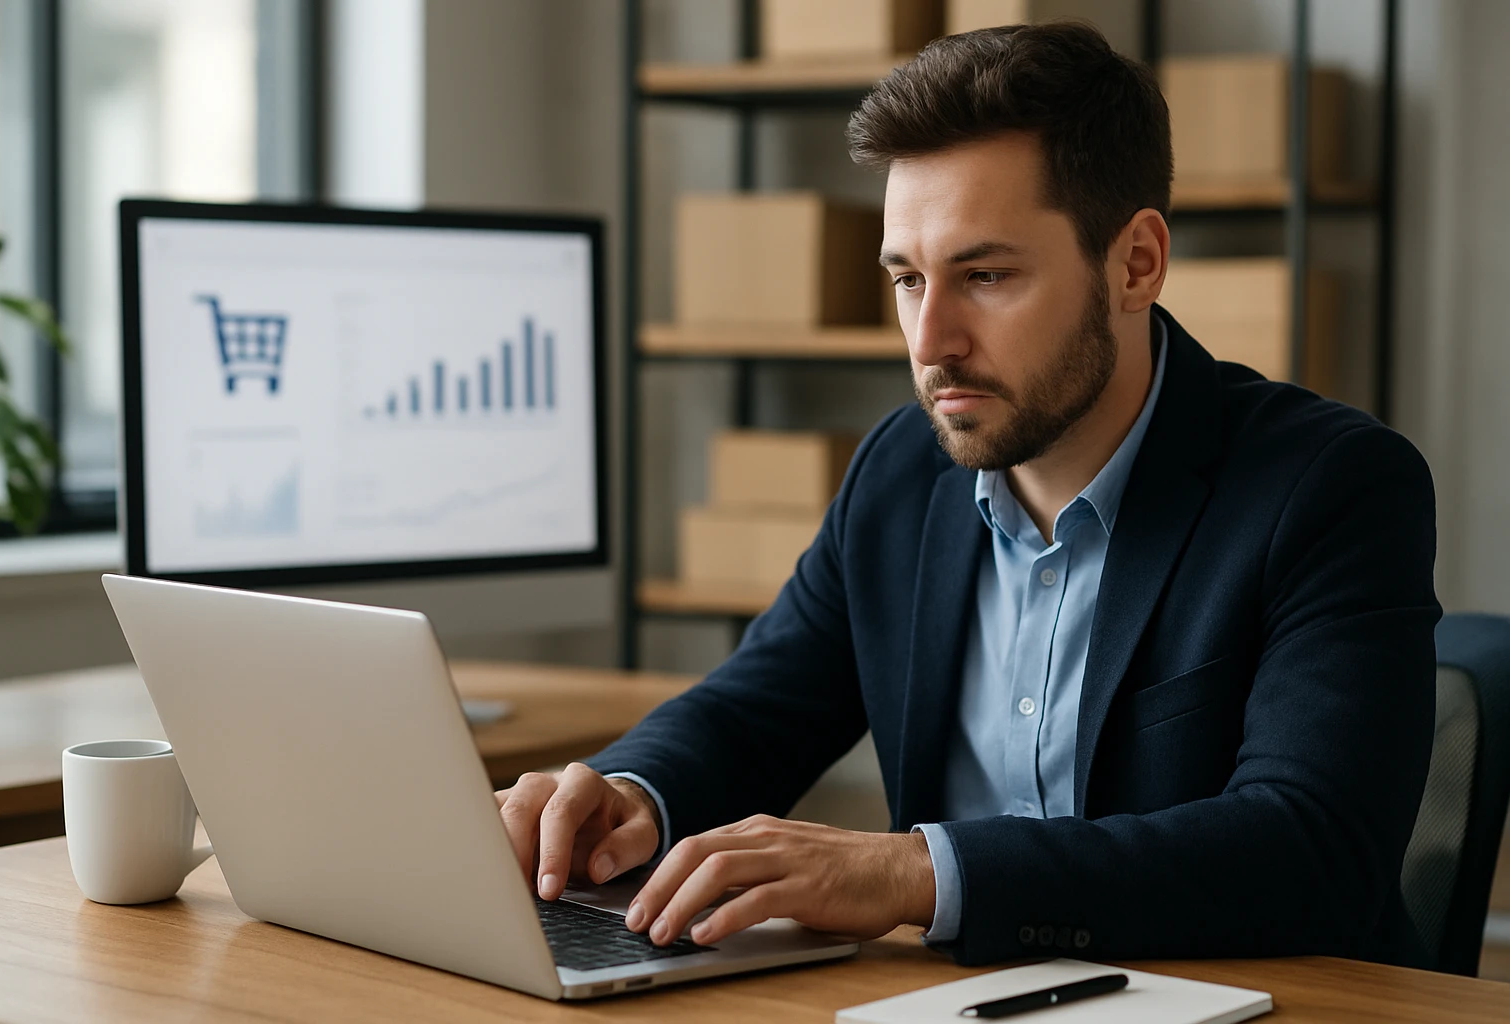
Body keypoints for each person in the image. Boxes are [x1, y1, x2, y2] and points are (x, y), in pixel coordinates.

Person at [494, 21, 1440, 967]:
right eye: (908, 279)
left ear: (1136, 263)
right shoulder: (902, 468)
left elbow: (1312, 851)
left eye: (985, 275)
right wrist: (630, 790)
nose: (929, 339)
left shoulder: (1332, 486)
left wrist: (913, 874)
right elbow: (756, 707)